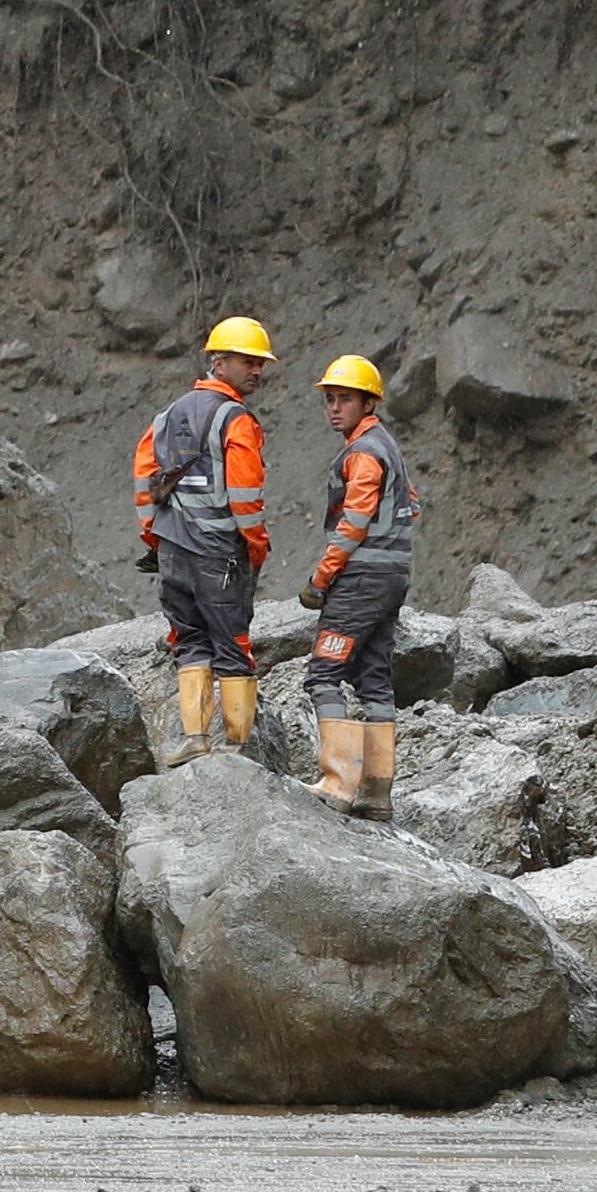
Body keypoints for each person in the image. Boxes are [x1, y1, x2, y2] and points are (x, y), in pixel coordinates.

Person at [130, 317, 277, 765]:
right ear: (219, 361)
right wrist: (256, 546)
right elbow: (245, 496)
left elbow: (143, 481)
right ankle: (237, 745)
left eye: (260, 363)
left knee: (189, 640)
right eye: (248, 361)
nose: (256, 370)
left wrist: (154, 537)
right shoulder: (236, 419)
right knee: (232, 643)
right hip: (220, 554)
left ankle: (196, 738)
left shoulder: (167, 415)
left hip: (173, 550)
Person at [301, 354, 420, 819]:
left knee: (324, 674)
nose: (334, 407)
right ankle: (377, 792)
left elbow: (352, 524)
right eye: (330, 399)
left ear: (368, 403)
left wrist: (321, 577)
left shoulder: (365, 453)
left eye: (344, 399)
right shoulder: (386, 445)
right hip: (392, 576)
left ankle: (338, 782)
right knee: (373, 677)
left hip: (360, 580)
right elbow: (412, 505)